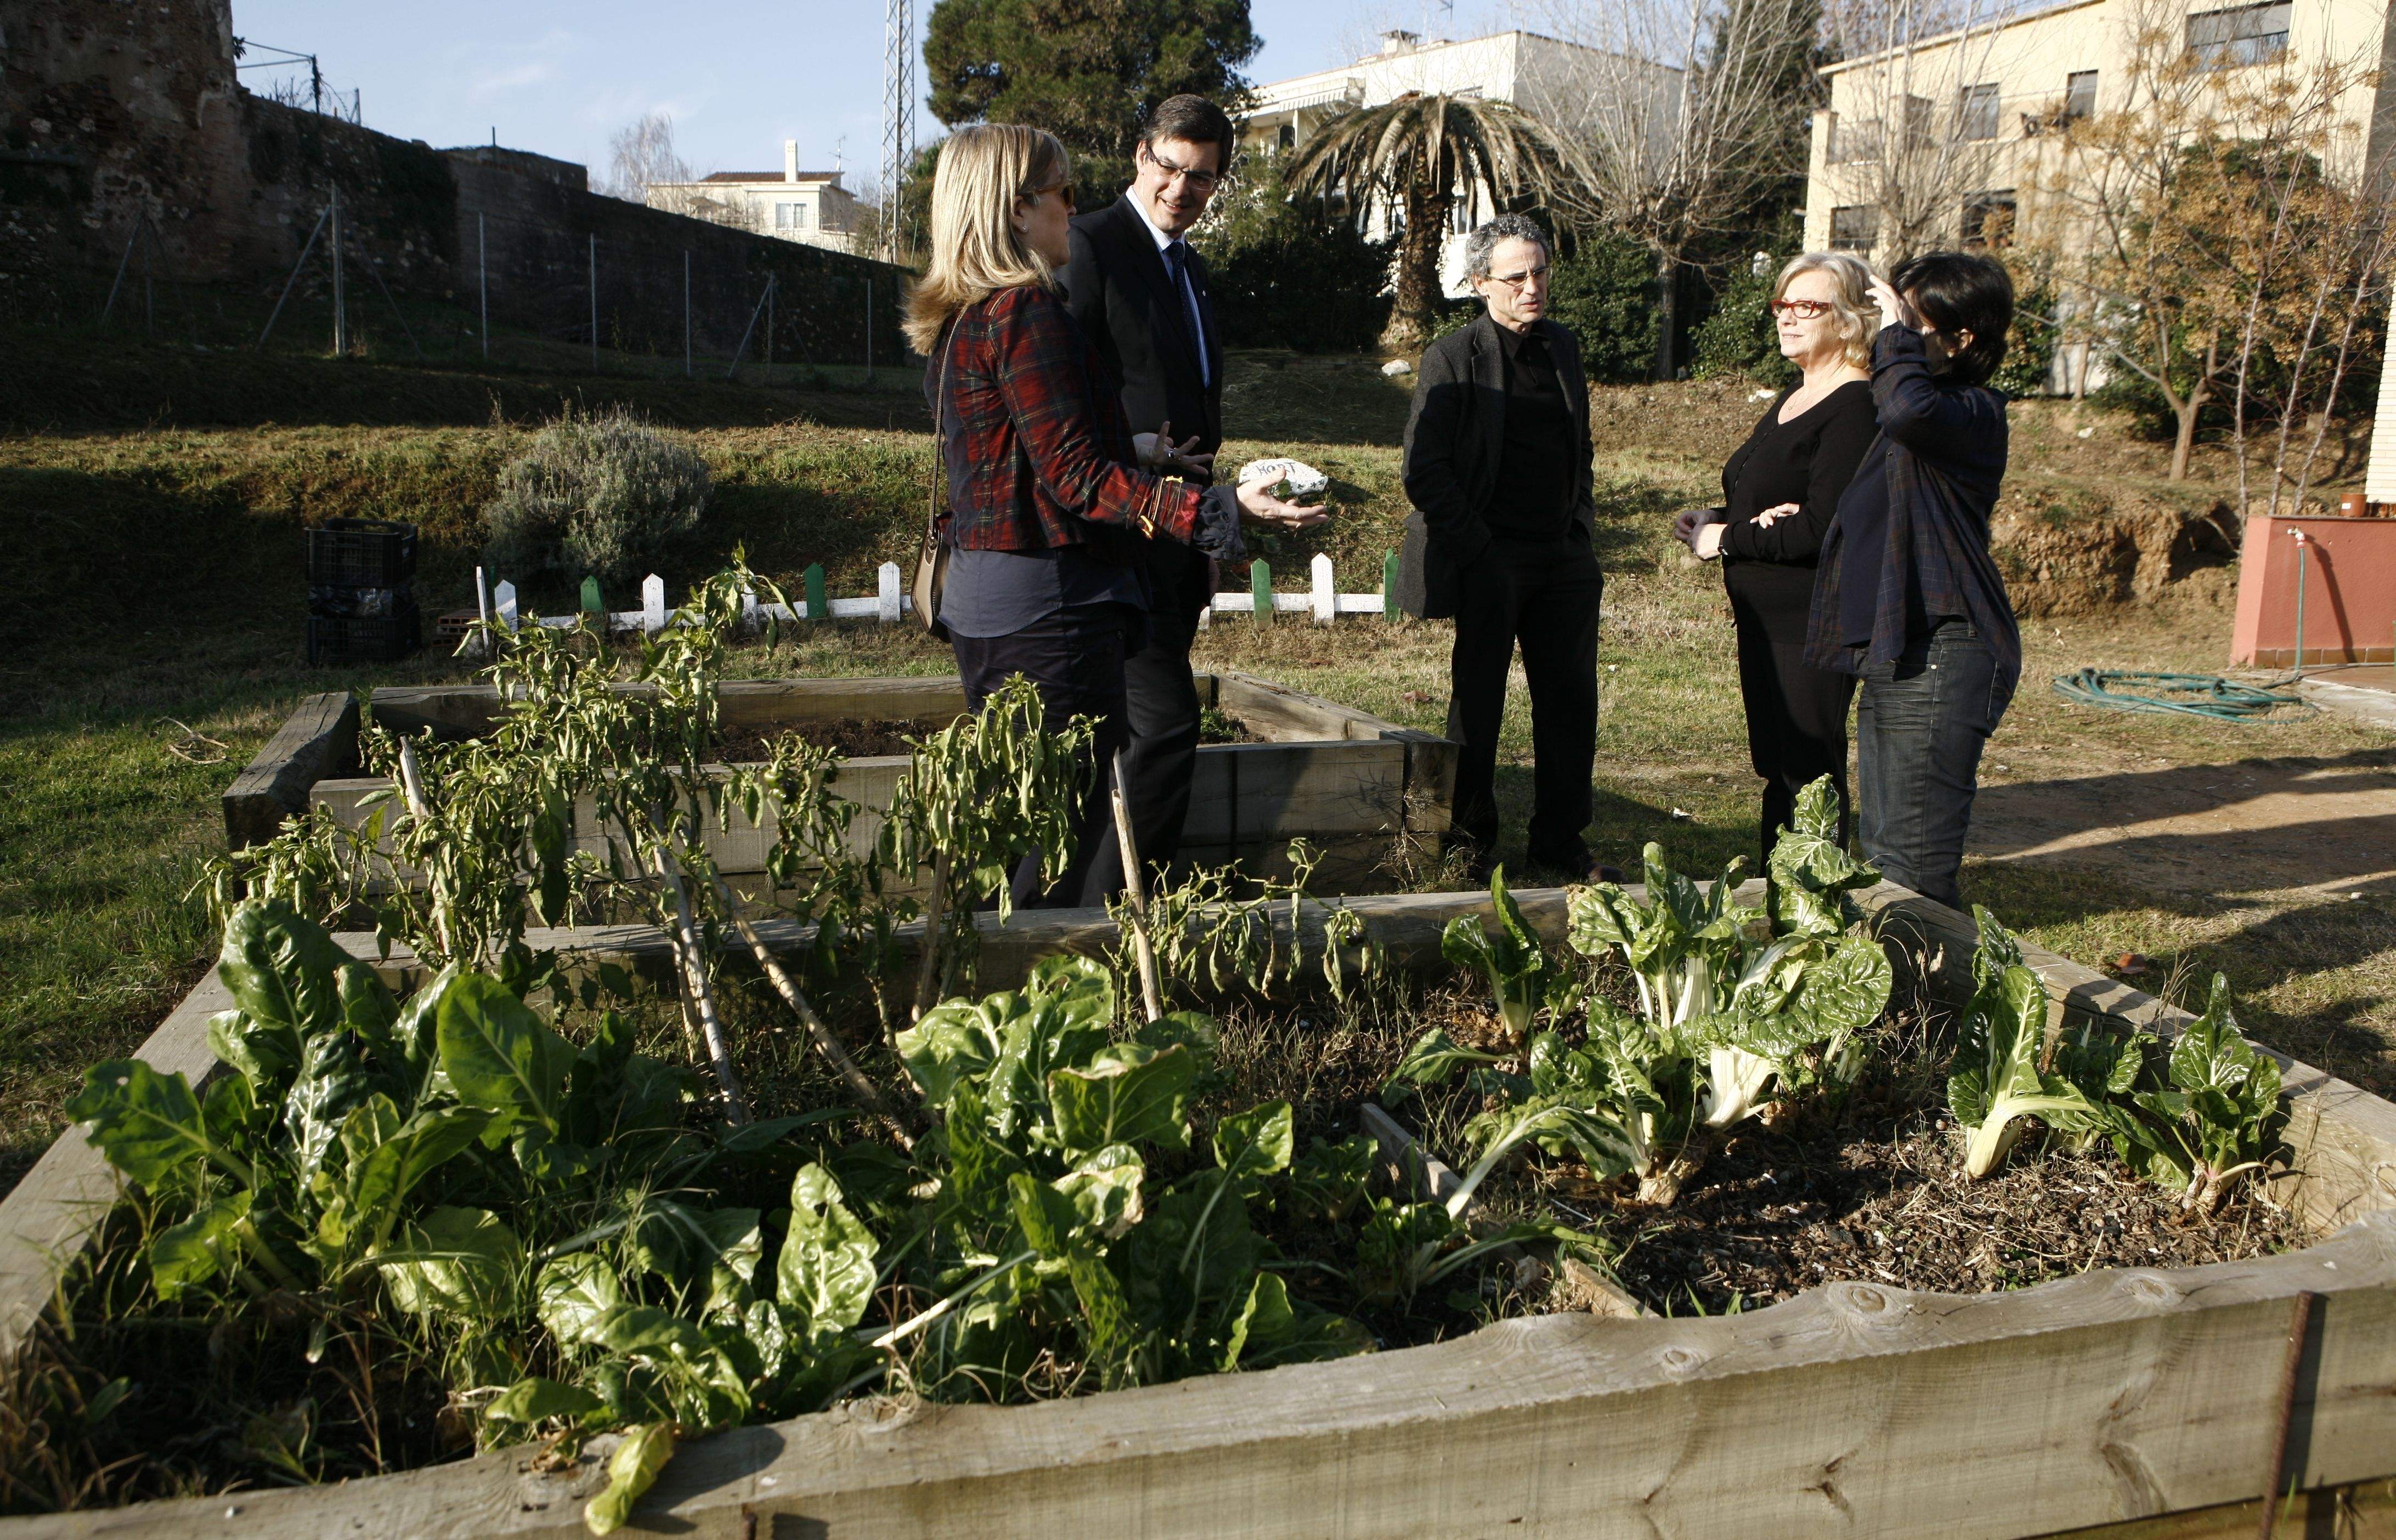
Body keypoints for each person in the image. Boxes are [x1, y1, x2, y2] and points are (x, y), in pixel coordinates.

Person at [900, 123, 1324, 909]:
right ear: (1018, 210)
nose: (1074, 207)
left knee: (1019, 826)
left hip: (988, 605)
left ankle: (992, 998)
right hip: (1052, 610)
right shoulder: (1029, 315)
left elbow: (1008, 450)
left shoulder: (967, 317)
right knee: (1058, 844)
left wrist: (1129, 443)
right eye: (1062, 192)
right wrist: (1222, 508)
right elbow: (1076, 478)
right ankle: (1052, 1001)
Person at [1805, 251, 2021, 911]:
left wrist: (1895, 337)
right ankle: (1918, 1005)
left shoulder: (1971, 412)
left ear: (1962, 340)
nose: (1892, 333)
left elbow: (1905, 410)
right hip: (1904, 651)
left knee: (1911, 868)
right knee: (1888, 852)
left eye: (1912, 324)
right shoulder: (1923, 417)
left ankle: (1930, 1009)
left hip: (1945, 649)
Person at [1397, 212, 1604, 881]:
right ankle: (1469, 841)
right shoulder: (1454, 356)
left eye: (1540, 272)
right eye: (1516, 277)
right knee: (1478, 705)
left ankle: (1560, 845)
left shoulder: (1563, 348)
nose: (1532, 287)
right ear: (1481, 283)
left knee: (1571, 704)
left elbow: (1582, 446)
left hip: (1562, 558)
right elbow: (1423, 469)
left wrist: (1581, 530)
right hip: (1491, 556)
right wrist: (1480, 550)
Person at [1063, 94, 1235, 877]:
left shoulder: (1192, 268)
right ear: (1141, 156)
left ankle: (1111, 909)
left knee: (1144, 731)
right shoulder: (1090, 245)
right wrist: (1133, 463)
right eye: (1170, 167)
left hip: (1179, 533)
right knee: (1162, 728)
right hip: (1114, 530)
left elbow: (1198, 406)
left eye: (1201, 178)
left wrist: (1214, 527)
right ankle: (1113, 919)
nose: (1180, 189)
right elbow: (1058, 400)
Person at [1673, 253, 1879, 870]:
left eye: (1807, 306)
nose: (1788, 318)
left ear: (1847, 321)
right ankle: (1778, 892)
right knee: (1778, 766)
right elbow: (1763, 503)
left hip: (1811, 621)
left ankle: (1814, 905)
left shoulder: (1854, 406)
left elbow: (1818, 528)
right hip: (1767, 619)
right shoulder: (1799, 393)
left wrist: (1728, 541)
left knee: (1809, 771)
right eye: (1782, 305)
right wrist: (1716, 518)